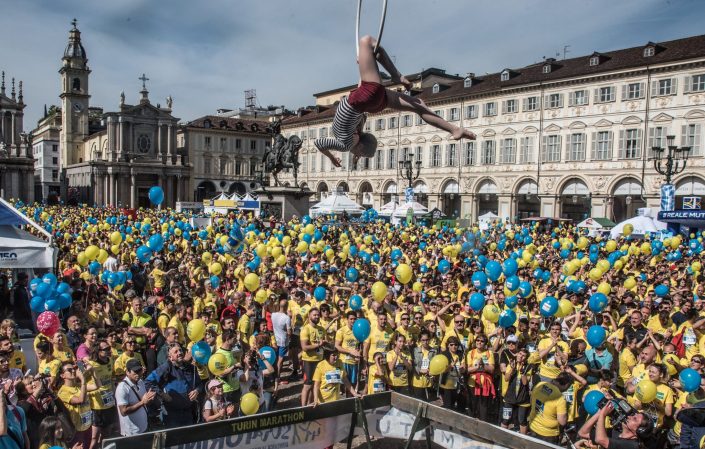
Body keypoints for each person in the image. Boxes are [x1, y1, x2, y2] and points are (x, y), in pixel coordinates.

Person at [313, 34, 475, 168]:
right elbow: (321, 143)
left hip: (372, 102)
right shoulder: (349, 139)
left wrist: (337, 157)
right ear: (359, 145)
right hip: (365, 99)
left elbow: (322, 141)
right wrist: (333, 156)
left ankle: (454, 129)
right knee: (366, 42)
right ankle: (396, 76)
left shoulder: (352, 136)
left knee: (418, 105)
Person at [144, 343, 202, 428]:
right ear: (170, 357)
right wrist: (162, 394)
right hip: (172, 414)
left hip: (188, 412)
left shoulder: (191, 368)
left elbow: (199, 384)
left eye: (180, 350)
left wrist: (197, 391)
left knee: (189, 435)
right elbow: (148, 381)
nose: (179, 353)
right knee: (174, 436)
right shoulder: (165, 368)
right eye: (176, 352)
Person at [578, 400, 654, 449]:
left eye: (634, 419)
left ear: (640, 430)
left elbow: (600, 439)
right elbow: (583, 433)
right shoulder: (615, 433)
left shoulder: (633, 445)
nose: (629, 417)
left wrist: (602, 415)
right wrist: (599, 413)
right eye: (633, 415)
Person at [527, 371, 573, 444]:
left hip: (533, 426)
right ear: (567, 384)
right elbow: (562, 422)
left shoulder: (540, 384)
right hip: (548, 434)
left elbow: (531, 400)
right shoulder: (560, 398)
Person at [115, 359, 155, 437]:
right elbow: (123, 411)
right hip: (131, 433)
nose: (138, 374)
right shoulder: (122, 388)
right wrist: (142, 402)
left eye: (139, 370)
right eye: (135, 371)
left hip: (144, 428)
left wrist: (149, 399)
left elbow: (144, 401)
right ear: (127, 372)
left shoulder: (140, 382)